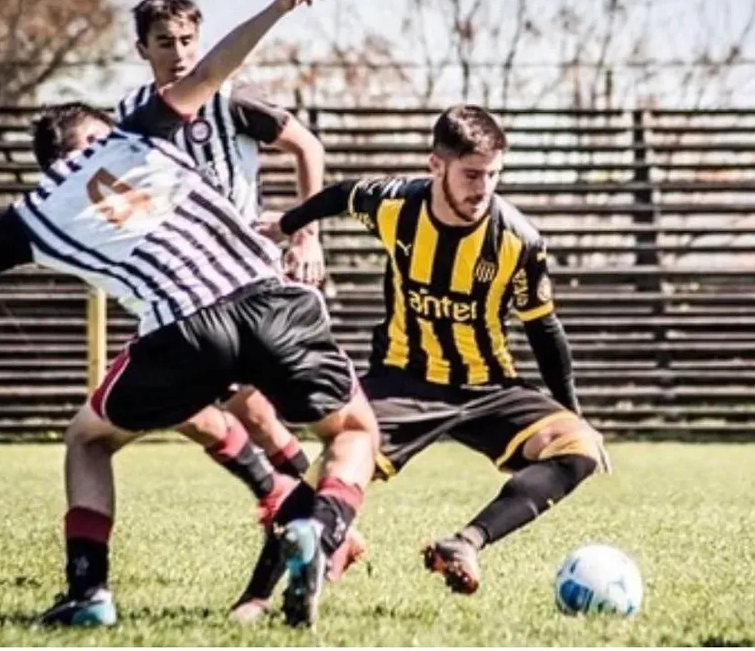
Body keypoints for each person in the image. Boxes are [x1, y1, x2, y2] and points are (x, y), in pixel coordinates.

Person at [0, 0, 377, 629]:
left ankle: (90, 591)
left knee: (89, 439)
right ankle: (320, 526)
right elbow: (216, 68)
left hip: (182, 330)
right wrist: (281, 5)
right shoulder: (136, 134)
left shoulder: (32, 215)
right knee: (353, 430)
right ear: (99, 132)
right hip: (268, 297)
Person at [238, 104, 609, 609]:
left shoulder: (518, 241)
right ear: (436, 165)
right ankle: (256, 597)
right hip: (403, 379)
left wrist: (573, 412)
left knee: (580, 448)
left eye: (494, 175)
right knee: (327, 474)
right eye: (472, 174)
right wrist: (289, 224)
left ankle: (466, 542)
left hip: (487, 385)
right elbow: (343, 194)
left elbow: (543, 328)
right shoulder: (396, 205)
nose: (483, 189)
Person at [115, 0, 367, 593]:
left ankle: (305, 510)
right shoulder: (130, 114)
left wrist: (305, 235)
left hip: (248, 279)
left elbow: (308, 146)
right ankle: (308, 510)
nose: (179, 53)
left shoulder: (233, 99)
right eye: (165, 42)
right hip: (180, 284)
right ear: (142, 49)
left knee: (267, 410)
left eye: (187, 41)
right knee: (207, 409)